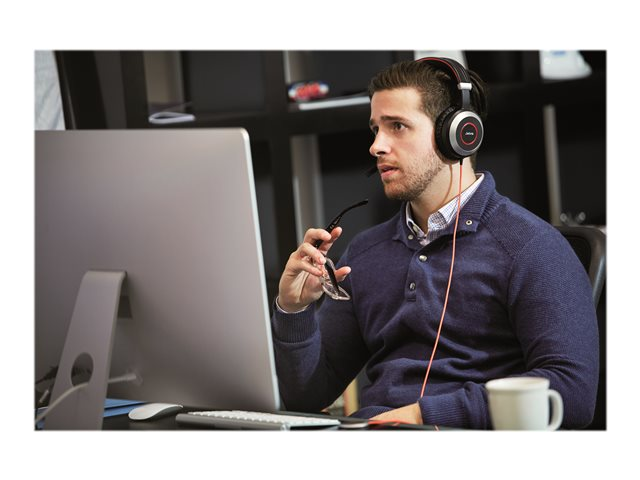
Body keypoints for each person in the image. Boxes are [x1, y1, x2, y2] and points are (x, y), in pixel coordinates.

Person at [270, 58, 599, 429]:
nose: (376, 146)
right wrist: (294, 310)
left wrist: (422, 415)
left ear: (458, 134)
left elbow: (571, 394)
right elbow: (306, 397)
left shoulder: (531, 247)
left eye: (397, 126)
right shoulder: (365, 253)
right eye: (376, 129)